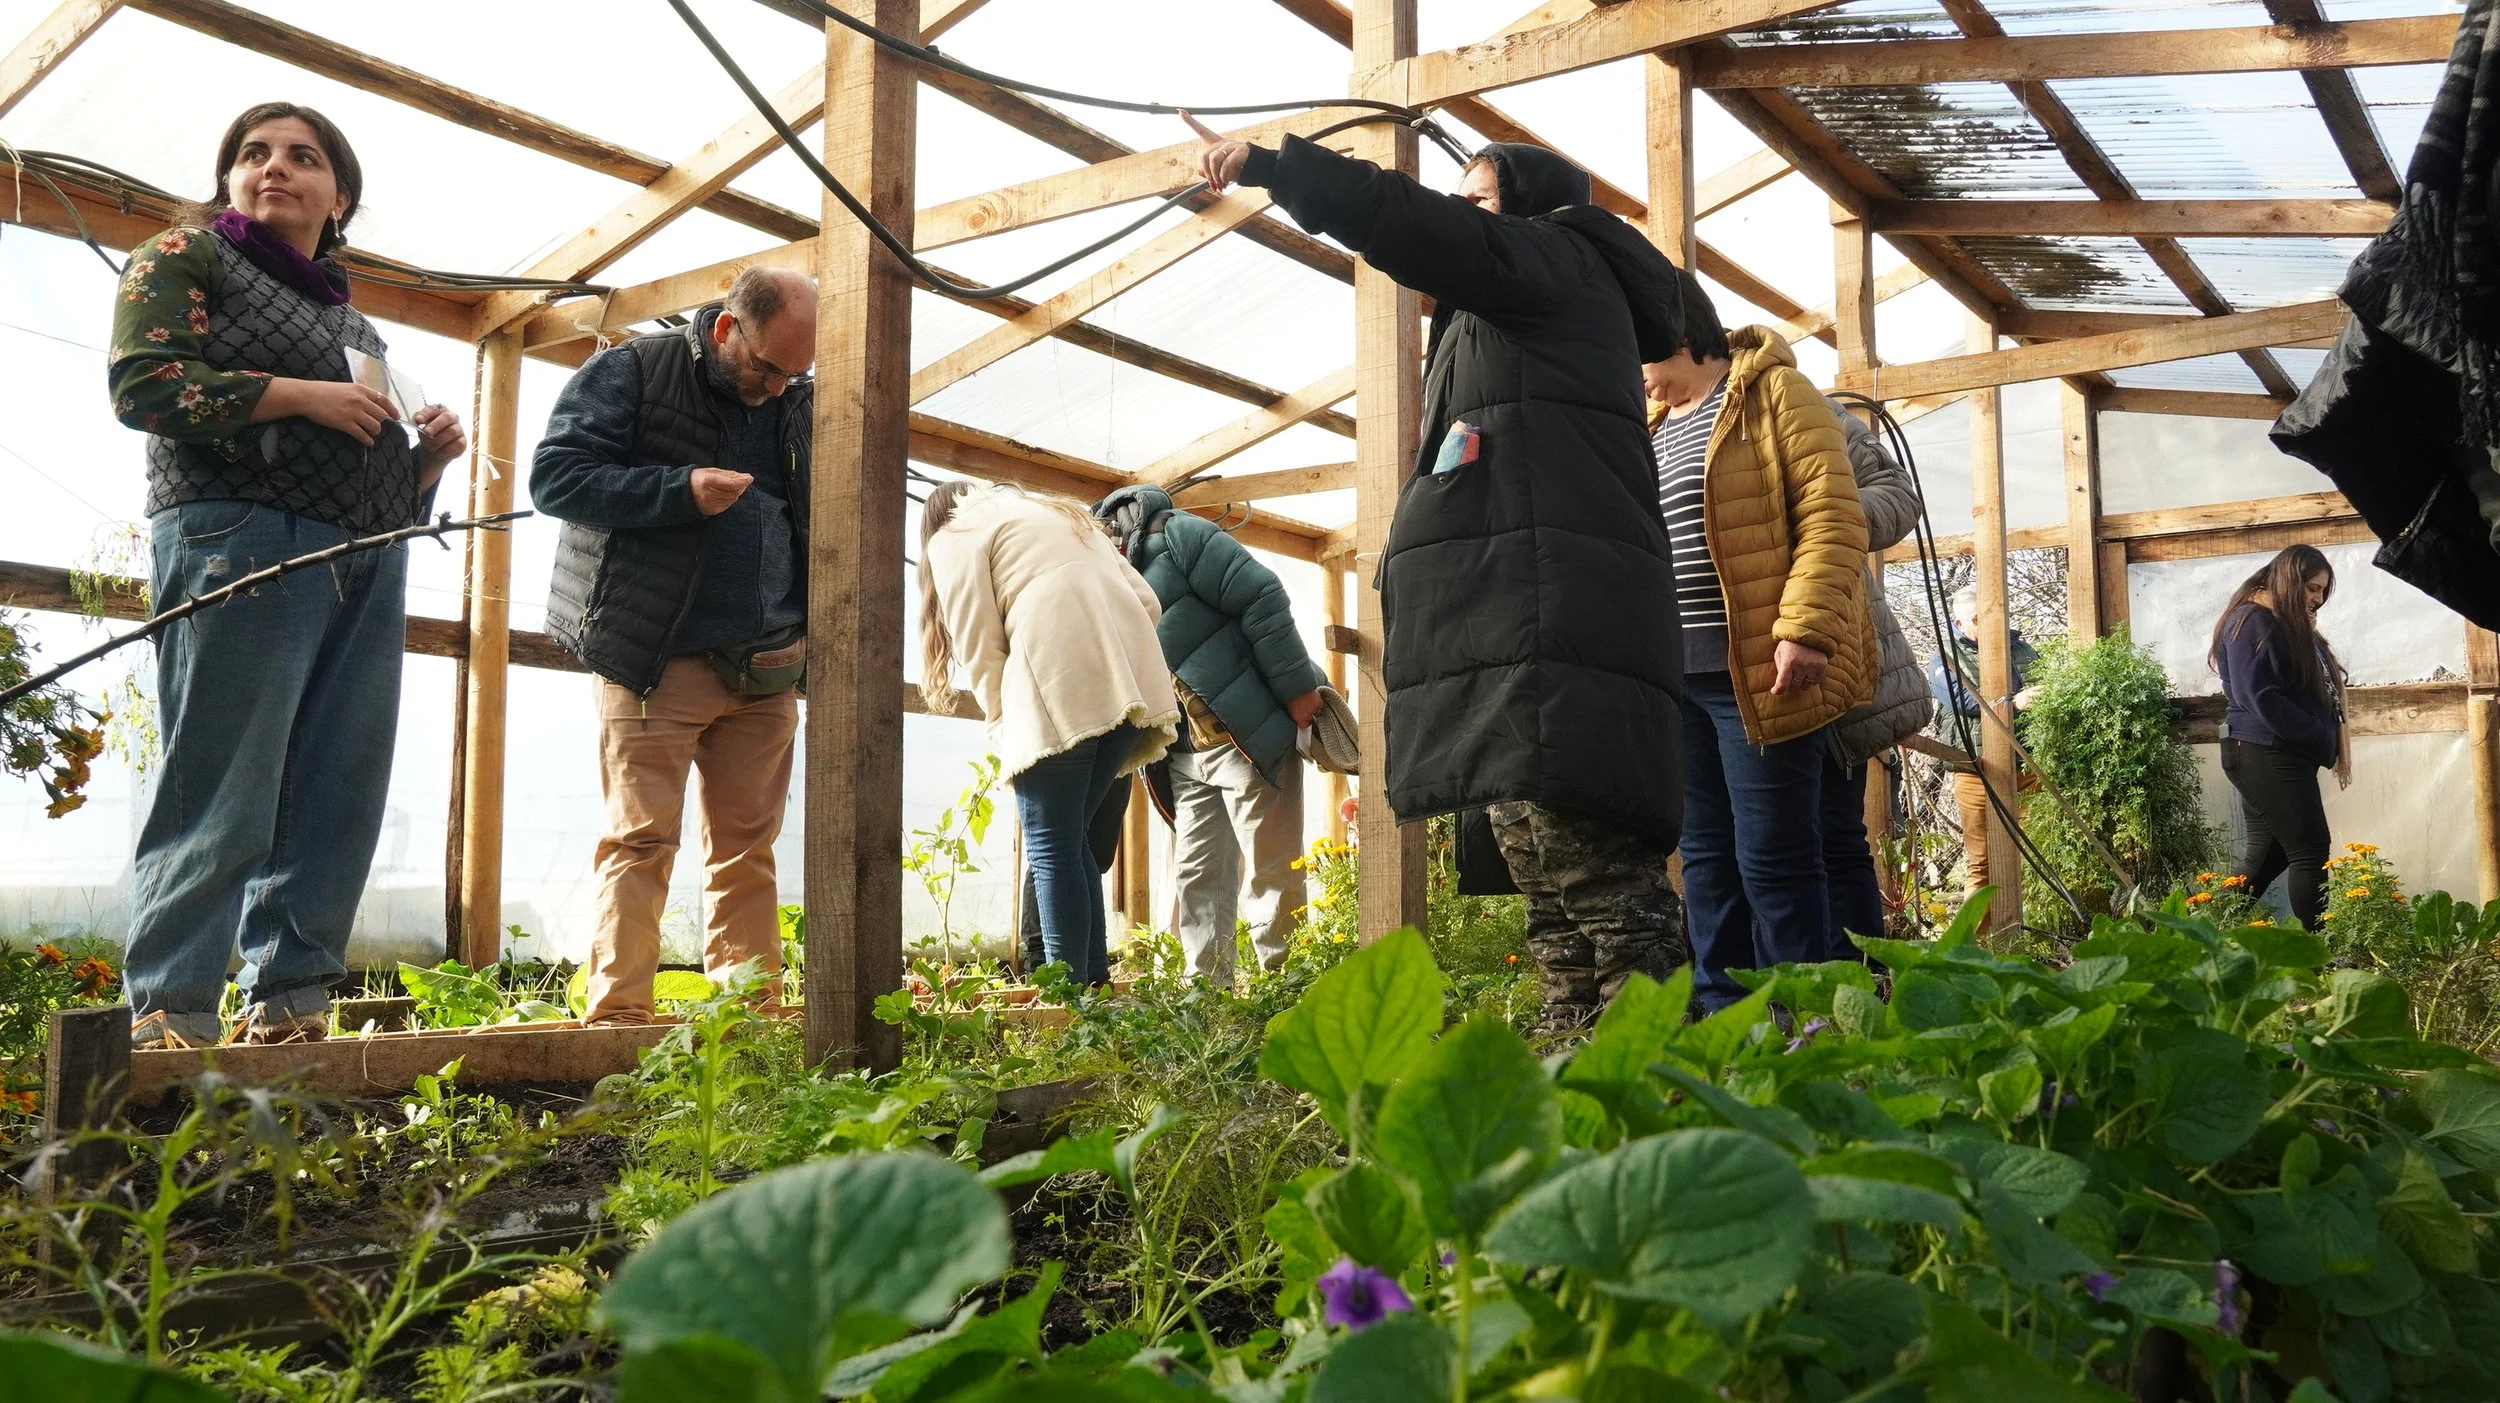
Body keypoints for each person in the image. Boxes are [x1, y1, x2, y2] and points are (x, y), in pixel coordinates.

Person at [1183, 116, 1690, 1031]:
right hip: (1522, 623)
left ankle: (1671, 1091)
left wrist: (1280, 169)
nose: (1462, 215)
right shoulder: (1506, 317)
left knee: (1602, 883)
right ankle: (1573, 1093)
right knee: (1546, 879)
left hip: (1556, 624)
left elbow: (1417, 225)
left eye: (1479, 201)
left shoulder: (1555, 260)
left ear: (1525, 209)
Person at [108, 103, 468, 1049]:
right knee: (226, 771)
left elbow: (368, 467)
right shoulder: (185, 257)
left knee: (337, 780)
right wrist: (305, 394)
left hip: (361, 555)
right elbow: (143, 382)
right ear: (228, 178)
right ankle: (170, 1010)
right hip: (238, 536)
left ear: (338, 195)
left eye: (302, 158)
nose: (275, 168)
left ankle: (291, 1003)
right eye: (252, 154)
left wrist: (423, 464)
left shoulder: (355, 324)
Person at [531, 266, 819, 1025]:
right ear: (728, 328)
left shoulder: (798, 399)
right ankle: (619, 1015)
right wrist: (677, 490)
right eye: (768, 366)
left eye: (798, 372)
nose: (780, 387)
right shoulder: (632, 369)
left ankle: (748, 1019)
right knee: (639, 839)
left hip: (767, 665)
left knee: (746, 851)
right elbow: (556, 477)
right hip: (659, 657)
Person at [1643, 271, 1876, 1012]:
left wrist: (1803, 630)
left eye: (1636, 346)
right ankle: (1726, 1025)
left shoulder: (1776, 395)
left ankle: (1801, 1026)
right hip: (1676, 677)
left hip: (1759, 672)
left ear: (1676, 334)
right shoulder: (1653, 425)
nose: (1634, 369)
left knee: (1774, 858)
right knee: (1706, 863)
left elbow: (1834, 517)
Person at [920, 482, 1177, 985]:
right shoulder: (1060, 512)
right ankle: (1093, 994)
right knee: (1069, 839)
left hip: (1060, 677)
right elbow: (1148, 603)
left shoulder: (955, 534)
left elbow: (978, 642)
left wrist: (1005, 722)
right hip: (1134, 680)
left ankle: (1069, 1002)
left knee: (1051, 846)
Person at [1091, 485, 1327, 986]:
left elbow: (1260, 593)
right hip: (1182, 752)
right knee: (1198, 875)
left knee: (1271, 870)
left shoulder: (1176, 536)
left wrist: (1297, 688)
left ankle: (1286, 992)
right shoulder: (1097, 580)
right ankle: (1209, 999)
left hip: (1246, 734)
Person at [1820, 407, 1935, 943]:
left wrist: (1814, 513)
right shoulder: (1657, 419)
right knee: (1728, 845)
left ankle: (1856, 987)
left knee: (1833, 836)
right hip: (1709, 673)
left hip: (1830, 671)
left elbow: (1897, 497)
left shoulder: (1808, 408)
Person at [2210, 545, 2350, 929]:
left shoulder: (2273, 621)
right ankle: (2320, 957)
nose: (2317, 599)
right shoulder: (2253, 620)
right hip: (2264, 750)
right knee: (2310, 851)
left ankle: (2201, 935)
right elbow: (2263, 698)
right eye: (2311, 588)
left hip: (2267, 750)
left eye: (2322, 591)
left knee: (2268, 857)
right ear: (2288, 580)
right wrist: (2321, 733)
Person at [1928, 583, 2041, 899]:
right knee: (1982, 863)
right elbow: (1962, 700)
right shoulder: (1944, 656)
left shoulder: (2022, 649)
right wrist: (2013, 703)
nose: (1988, 624)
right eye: (1977, 618)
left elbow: (2047, 689)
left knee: (2036, 855)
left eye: (1992, 616)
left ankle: (2033, 939)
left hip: (2028, 768)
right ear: (1960, 624)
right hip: (1976, 772)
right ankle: (1975, 943)